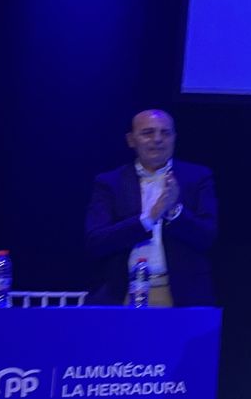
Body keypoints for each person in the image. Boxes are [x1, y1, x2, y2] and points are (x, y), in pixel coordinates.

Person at [84, 110, 218, 307]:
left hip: (178, 295)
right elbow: (96, 241)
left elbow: (207, 237)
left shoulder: (197, 177)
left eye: (165, 133)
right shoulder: (109, 182)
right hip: (121, 292)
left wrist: (174, 211)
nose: (157, 139)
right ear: (131, 140)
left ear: (174, 138)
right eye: (148, 133)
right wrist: (148, 219)